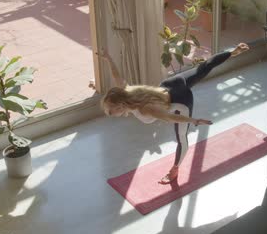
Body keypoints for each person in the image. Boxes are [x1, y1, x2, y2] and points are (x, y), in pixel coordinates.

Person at [98, 43, 250, 184]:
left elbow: (170, 116)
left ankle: (175, 169)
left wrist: (194, 120)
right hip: (172, 83)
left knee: (181, 138)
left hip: (180, 100)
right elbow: (116, 75)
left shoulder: (145, 109)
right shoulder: (126, 91)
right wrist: (108, 58)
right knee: (204, 67)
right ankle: (233, 51)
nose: (110, 114)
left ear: (120, 106)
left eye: (111, 111)